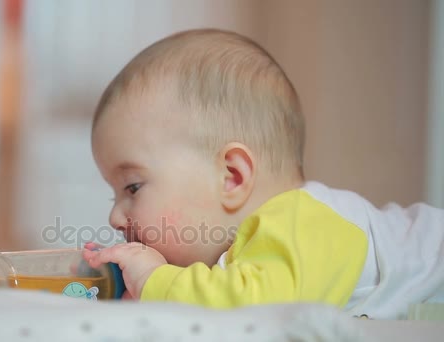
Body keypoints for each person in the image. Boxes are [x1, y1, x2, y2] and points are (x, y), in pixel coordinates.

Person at [82, 28, 444, 319]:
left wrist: (153, 281)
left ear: (232, 177)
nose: (114, 216)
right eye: (114, 193)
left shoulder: (301, 222)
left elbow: (258, 316)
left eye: (132, 186)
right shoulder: (255, 251)